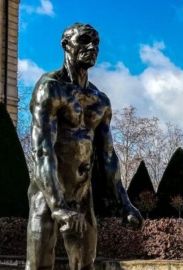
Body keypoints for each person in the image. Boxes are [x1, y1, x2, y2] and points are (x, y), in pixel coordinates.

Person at [27, 23, 143, 270]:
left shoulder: (100, 101)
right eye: (84, 41)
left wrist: (124, 202)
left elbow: (108, 156)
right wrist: (58, 207)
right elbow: (42, 150)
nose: (92, 47)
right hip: (47, 194)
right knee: (38, 266)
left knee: (85, 265)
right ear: (66, 45)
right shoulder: (50, 88)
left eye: (96, 43)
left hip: (81, 194)